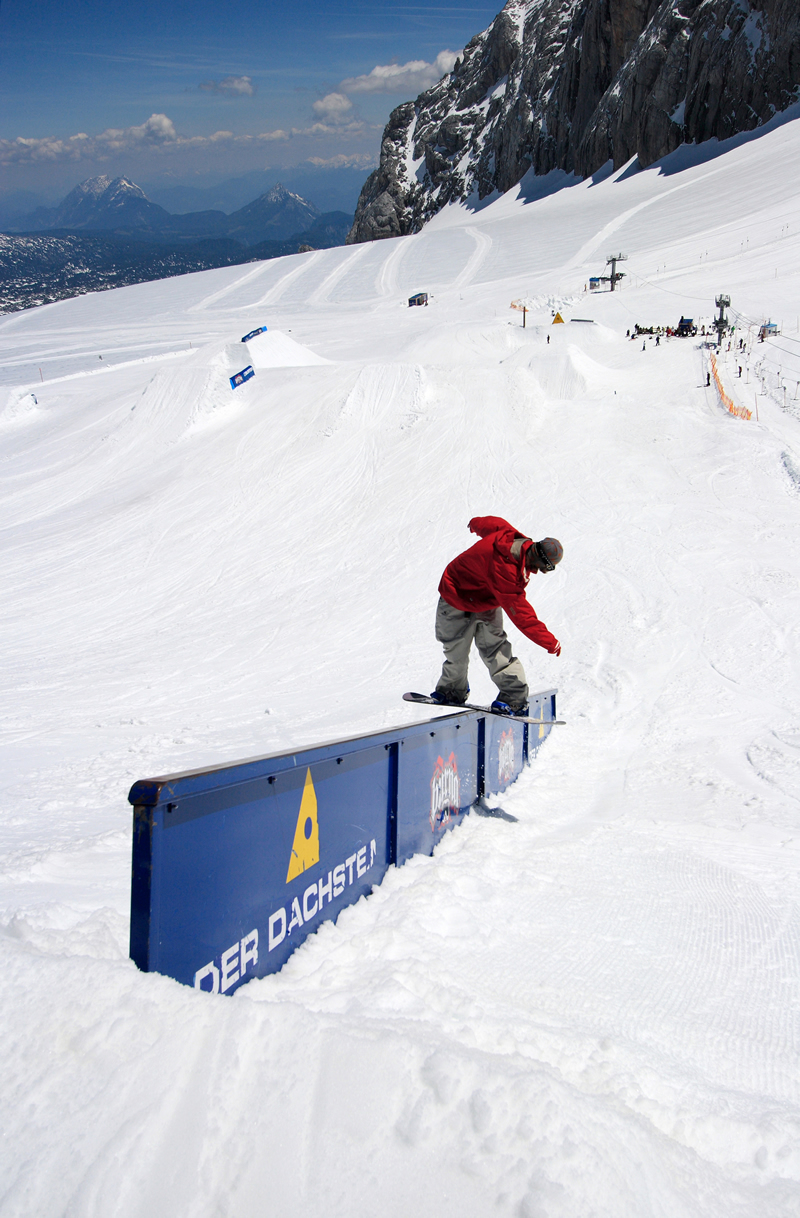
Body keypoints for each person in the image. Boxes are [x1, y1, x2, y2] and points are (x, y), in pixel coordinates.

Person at [431, 517, 563, 716]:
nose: (543, 572)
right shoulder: (506, 572)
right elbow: (522, 615)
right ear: (539, 556)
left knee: (492, 647)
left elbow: (494, 524)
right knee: (465, 648)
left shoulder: (512, 538)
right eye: (548, 567)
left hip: (485, 601)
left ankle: (513, 696)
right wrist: (549, 642)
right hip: (455, 594)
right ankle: (453, 690)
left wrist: (476, 523)